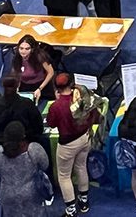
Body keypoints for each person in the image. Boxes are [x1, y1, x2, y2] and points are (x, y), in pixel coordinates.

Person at [46, 73, 100, 216]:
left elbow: (51, 124)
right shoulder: (83, 96)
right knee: (81, 167)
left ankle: (71, 210)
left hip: (67, 144)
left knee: (64, 176)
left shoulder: (56, 106)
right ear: (71, 84)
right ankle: (83, 201)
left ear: (56, 88)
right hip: (85, 137)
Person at [0, 121, 51, 217]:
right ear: (23, 135)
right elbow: (45, 165)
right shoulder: (34, 150)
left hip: (7, 194)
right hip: (31, 193)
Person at [0, 76, 46, 151]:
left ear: (3, 86)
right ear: (18, 85)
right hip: (23, 147)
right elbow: (38, 127)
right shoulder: (27, 104)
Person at [11, 34, 56, 101]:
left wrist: (40, 89)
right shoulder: (17, 57)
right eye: (21, 48)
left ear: (32, 49)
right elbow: (15, 72)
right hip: (25, 85)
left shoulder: (40, 57)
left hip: (41, 85)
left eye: (27, 49)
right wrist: (16, 86)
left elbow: (51, 72)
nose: (23, 52)